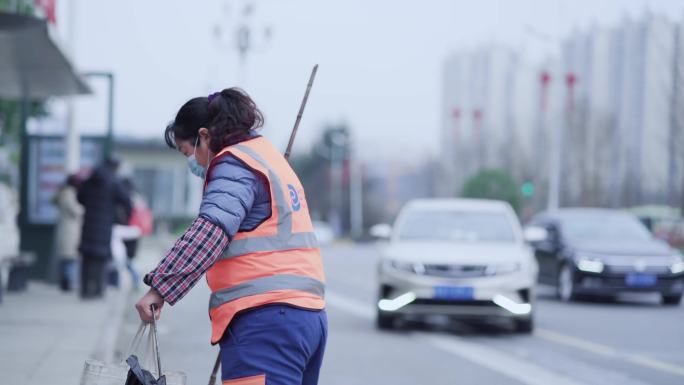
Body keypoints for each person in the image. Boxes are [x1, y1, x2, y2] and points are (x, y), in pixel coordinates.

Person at [135, 88, 327, 385]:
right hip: (307, 316)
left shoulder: (233, 164)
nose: (194, 163)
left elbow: (210, 232)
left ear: (204, 135)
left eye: (189, 152)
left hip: (266, 320)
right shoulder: (266, 156)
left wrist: (159, 288)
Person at [77, 157, 132, 299]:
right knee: (101, 258)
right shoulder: (114, 181)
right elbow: (126, 200)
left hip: (88, 223)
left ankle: (84, 290)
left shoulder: (90, 179)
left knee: (87, 257)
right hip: (105, 224)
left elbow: (79, 197)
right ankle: (97, 291)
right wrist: (125, 217)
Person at [52, 174, 83, 291]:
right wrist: (85, 207)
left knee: (66, 258)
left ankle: (65, 282)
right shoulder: (69, 194)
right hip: (70, 230)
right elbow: (76, 211)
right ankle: (68, 283)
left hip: (66, 229)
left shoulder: (63, 192)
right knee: (70, 258)